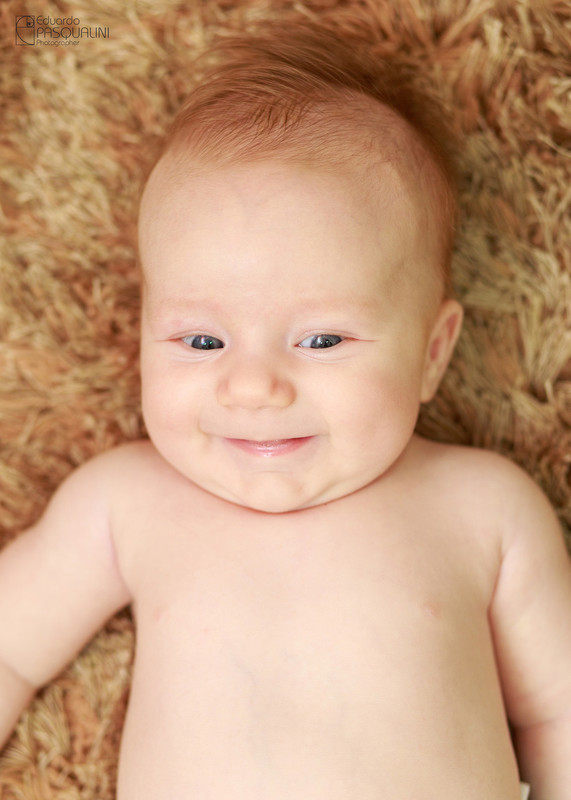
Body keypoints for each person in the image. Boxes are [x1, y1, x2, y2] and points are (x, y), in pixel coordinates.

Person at [0, 20, 569, 800]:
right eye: (201, 340)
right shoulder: (123, 503)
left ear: (432, 353)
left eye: (321, 338)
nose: (253, 387)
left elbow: (556, 712)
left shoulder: (482, 507)